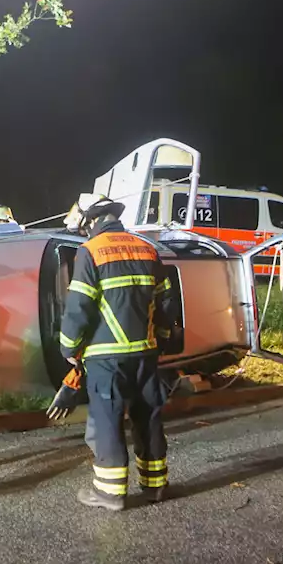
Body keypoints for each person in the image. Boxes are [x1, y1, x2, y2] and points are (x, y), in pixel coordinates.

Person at [60, 193, 174, 512]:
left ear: (92, 220)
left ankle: (110, 493)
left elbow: (79, 306)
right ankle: (156, 486)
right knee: (148, 416)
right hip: (145, 354)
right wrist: (160, 339)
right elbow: (166, 302)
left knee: (107, 420)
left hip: (106, 357)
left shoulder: (90, 252)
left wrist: (69, 347)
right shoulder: (147, 248)